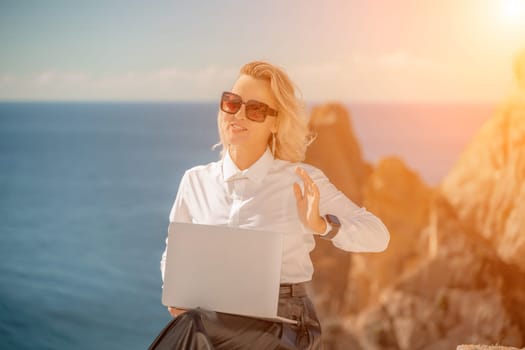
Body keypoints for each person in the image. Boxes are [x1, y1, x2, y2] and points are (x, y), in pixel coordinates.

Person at [150, 61, 390, 350]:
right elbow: (173, 254)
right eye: (232, 103)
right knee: (195, 325)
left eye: (255, 109)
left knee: (193, 327)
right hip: (215, 319)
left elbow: (378, 236)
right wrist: (175, 292)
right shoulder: (195, 181)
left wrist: (321, 225)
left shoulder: (301, 180)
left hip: (284, 320)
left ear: (275, 123)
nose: (238, 114)